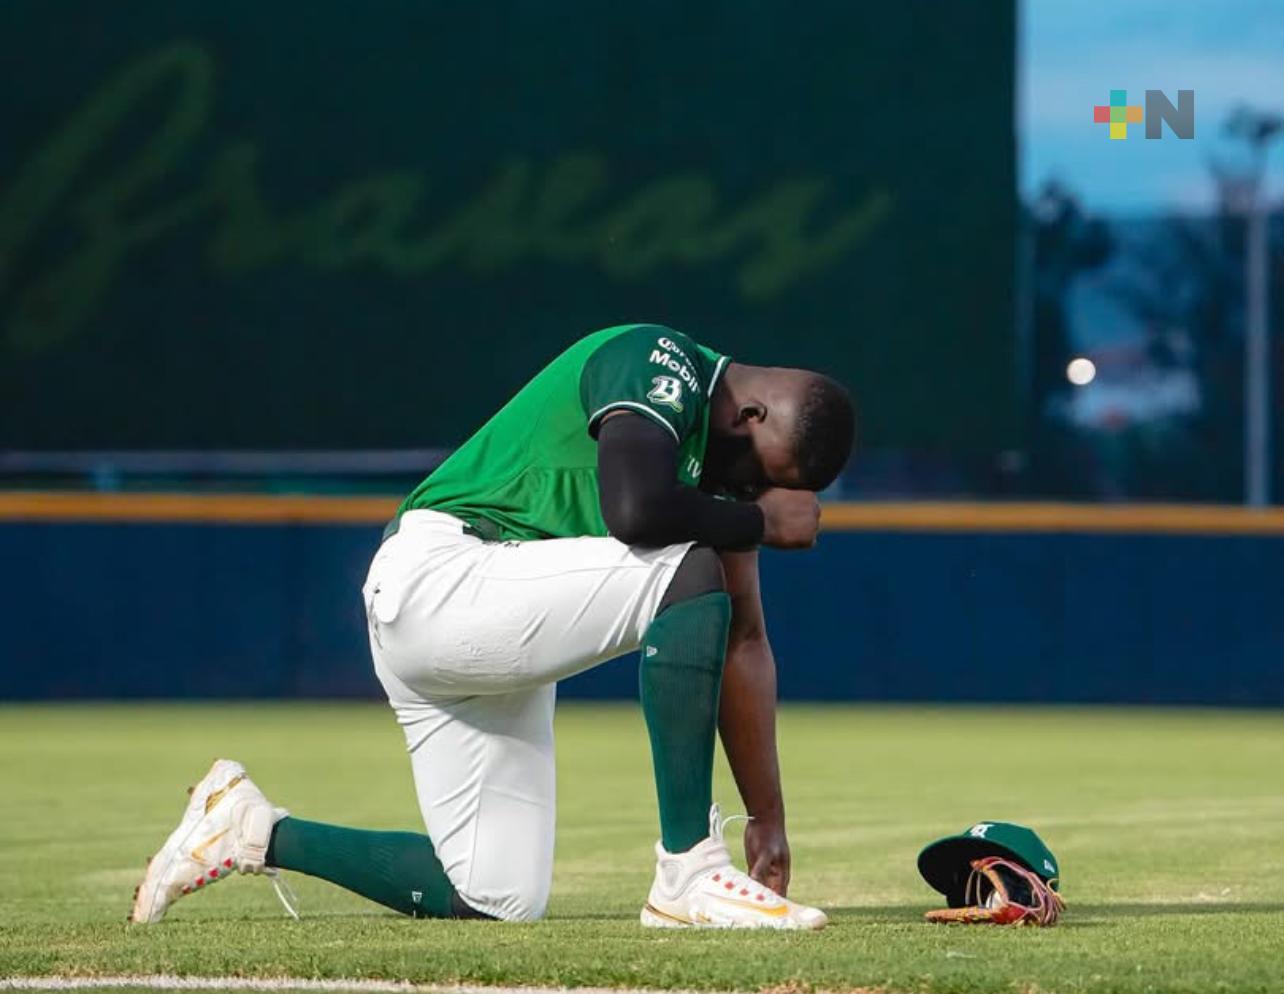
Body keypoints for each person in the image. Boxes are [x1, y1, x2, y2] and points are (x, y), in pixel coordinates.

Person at [131, 323, 855, 929]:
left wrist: (767, 817)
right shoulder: (658, 358)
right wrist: (758, 520)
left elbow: (743, 640)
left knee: (495, 896)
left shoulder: (718, 478)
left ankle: (248, 829)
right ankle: (687, 871)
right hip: (442, 577)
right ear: (750, 414)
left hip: (483, 619)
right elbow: (635, 510)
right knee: (687, 569)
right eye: (763, 475)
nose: (756, 492)